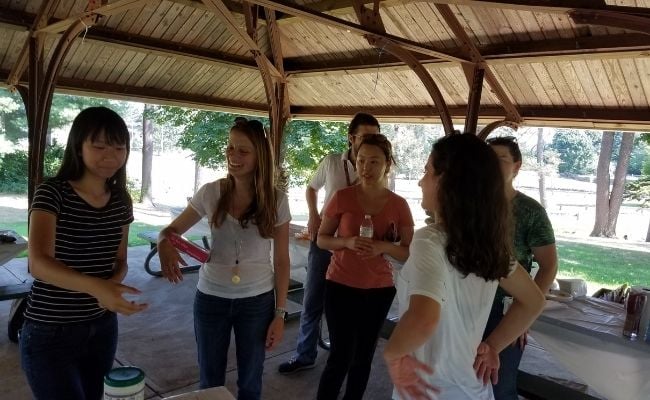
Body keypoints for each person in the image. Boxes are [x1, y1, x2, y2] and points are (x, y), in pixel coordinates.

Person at [383, 133, 546, 400]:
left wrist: (392, 353)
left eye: (427, 171)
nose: (421, 181)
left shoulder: (429, 240)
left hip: (430, 390)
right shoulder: (488, 246)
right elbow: (533, 301)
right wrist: (493, 346)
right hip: (473, 389)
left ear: (446, 182)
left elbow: (424, 318)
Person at [157, 117, 290, 400]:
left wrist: (280, 314)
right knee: (210, 380)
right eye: (230, 148)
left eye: (243, 151)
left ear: (260, 156)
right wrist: (163, 243)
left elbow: (281, 261)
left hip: (256, 301)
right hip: (211, 298)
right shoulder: (211, 192)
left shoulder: (276, 200)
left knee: (251, 381)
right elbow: (170, 231)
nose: (233, 155)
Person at [21, 107, 147, 400]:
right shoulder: (52, 192)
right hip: (50, 330)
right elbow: (38, 264)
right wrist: (97, 288)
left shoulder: (121, 200)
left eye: (119, 148)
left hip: (102, 327)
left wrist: (111, 287)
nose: (111, 156)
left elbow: (120, 260)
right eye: (99, 146)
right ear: (79, 147)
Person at [278, 112, 381, 374]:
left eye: (376, 136)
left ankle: (345, 355)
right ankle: (305, 355)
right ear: (351, 138)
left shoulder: (379, 168)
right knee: (313, 298)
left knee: (350, 304)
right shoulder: (332, 162)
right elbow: (311, 188)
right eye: (366, 136)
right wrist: (314, 215)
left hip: (358, 246)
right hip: (326, 240)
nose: (372, 141)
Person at [316, 134, 414, 400]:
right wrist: (346, 242)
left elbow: (408, 252)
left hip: (379, 290)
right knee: (340, 356)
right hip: (340, 285)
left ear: (387, 164)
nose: (365, 168)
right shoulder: (342, 197)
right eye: (361, 160)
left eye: (374, 162)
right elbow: (322, 239)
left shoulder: (399, 205)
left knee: (363, 357)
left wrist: (383, 247)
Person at [484, 135, 558, 400]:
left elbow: (548, 266)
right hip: (466, 306)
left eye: (501, 159)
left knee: (499, 384)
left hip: (505, 311)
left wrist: (524, 313)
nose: (492, 165)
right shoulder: (470, 205)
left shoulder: (530, 212)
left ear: (516, 167)